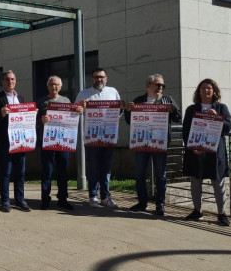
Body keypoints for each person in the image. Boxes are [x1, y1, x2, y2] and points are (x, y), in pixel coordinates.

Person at [125, 74, 182, 216]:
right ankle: (142, 203)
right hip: (141, 142)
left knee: (160, 175)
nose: (160, 88)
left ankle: (160, 204)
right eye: (158, 85)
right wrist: (128, 110)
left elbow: (178, 118)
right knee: (139, 174)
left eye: (162, 85)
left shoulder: (167, 100)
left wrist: (173, 110)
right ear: (148, 85)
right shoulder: (139, 100)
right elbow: (129, 121)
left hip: (159, 143)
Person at [181, 78, 231, 226]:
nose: (206, 90)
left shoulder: (222, 108)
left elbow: (228, 127)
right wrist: (192, 147)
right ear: (199, 91)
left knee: (218, 182)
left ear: (214, 91)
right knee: (195, 181)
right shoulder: (191, 109)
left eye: (209, 88)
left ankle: (221, 214)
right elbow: (186, 130)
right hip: (196, 151)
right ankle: (197, 210)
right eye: (203, 88)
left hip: (214, 152)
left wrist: (217, 117)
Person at [75, 68, 125, 208]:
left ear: (106, 78)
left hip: (109, 137)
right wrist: (80, 107)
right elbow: (74, 112)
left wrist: (121, 107)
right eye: (96, 77)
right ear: (92, 79)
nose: (99, 79)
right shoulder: (84, 94)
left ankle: (105, 197)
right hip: (92, 138)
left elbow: (118, 113)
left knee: (106, 169)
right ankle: (93, 196)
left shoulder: (113, 92)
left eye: (102, 77)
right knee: (93, 168)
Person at [0, 70, 30, 212]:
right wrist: (0, 114)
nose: (10, 81)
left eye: (12, 79)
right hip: (5, 142)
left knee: (21, 172)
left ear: (15, 81)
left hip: (21, 141)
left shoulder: (21, 98)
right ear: (2, 82)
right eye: (7, 79)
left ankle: (20, 200)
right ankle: (5, 201)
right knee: (6, 172)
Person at [36, 75, 82, 210]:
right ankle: (45, 200)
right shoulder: (41, 102)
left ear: (60, 87)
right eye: (51, 84)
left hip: (63, 142)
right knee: (47, 172)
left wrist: (79, 111)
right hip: (48, 142)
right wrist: (41, 120)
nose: (54, 87)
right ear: (47, 87)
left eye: (56, 84)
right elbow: (34, 119)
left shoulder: (66, 101)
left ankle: (63, 199)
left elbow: (73, 116)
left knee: (63, 172)